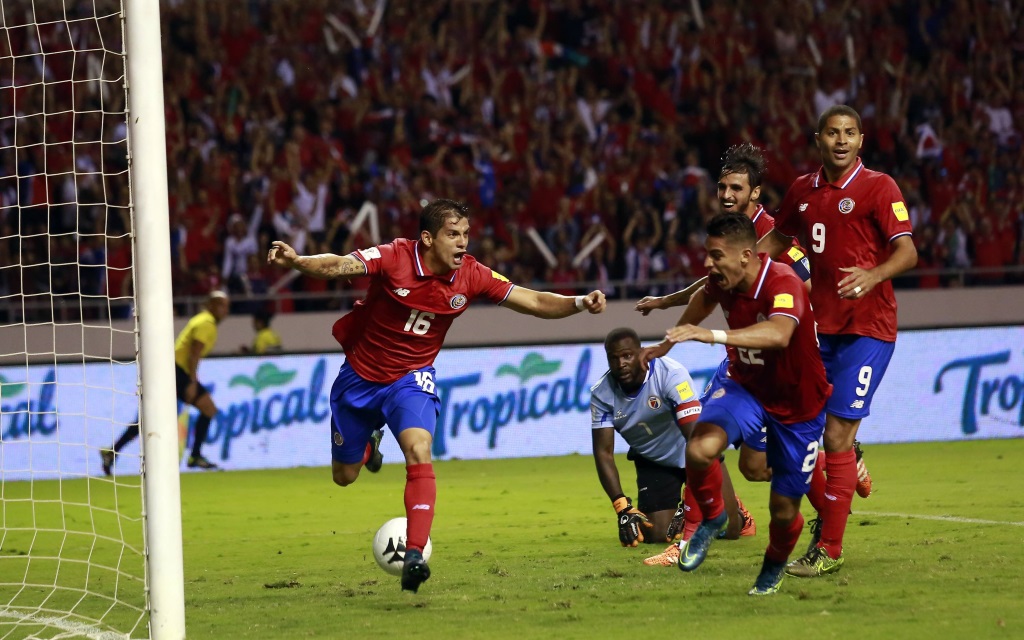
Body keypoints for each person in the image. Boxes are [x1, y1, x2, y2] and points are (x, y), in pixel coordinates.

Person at [267, 198, 607, 593]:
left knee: (420, 448)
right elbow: (339, 264)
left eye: (465, 234)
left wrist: (580, 302)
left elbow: (531, 300)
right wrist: (297, 261)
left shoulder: (472, 274)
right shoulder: (395, 257)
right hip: (358, 380)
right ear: (427, 238)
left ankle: (414, 554)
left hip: (411, 379)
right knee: (344, 477)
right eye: (453, 234)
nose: (463, 243)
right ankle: (368, 443)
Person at [757, 105, 917, 578]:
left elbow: (906, 251)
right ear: (818, 139)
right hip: (818, 330)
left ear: (861, 140)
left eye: (850, 133)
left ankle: (830, 545)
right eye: (833, 133)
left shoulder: (879, 187)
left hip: (868, 329)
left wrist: (874, 274)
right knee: (799, 432)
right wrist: (737, 266)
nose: (841, 140)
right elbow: (775, 240)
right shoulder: (803, 191)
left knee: (835, 435)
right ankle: (849, 472)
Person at [660, 212, 832, 596]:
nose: (708, 264)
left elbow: (780, 332)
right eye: (708, 254)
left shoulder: (783, 281)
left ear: (745, 256)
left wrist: (714, 336)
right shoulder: (724, 281)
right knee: (701, 448)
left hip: (797, 402)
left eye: (716, 255)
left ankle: (773, 566)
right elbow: (704, 297)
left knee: (783, 511)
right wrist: (667, 343)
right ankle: (715, 518)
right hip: (747, 387)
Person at [590, 327, 755, 568]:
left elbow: (696, 438)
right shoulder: (601, 393)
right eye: (614, 358)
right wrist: (622, 507)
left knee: (729, 529)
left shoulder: (670, 374)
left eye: (627, 356)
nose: (621, 364)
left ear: (640, 353)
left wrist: (692, 503)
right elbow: (603, 453)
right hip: (652, 459)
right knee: (657, 534)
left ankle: (739, 513)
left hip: (695, 452)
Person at [101, 291, 229, 475]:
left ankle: (111, 452)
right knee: (208, 409)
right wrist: (192, 381)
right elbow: (194, 353)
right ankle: (195, 456)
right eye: (223, 306)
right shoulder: (207, 323)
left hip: (170, 370)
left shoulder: (201, 320)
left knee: (150, 419)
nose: (226, 311)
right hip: (178, 372)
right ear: (213, 305)